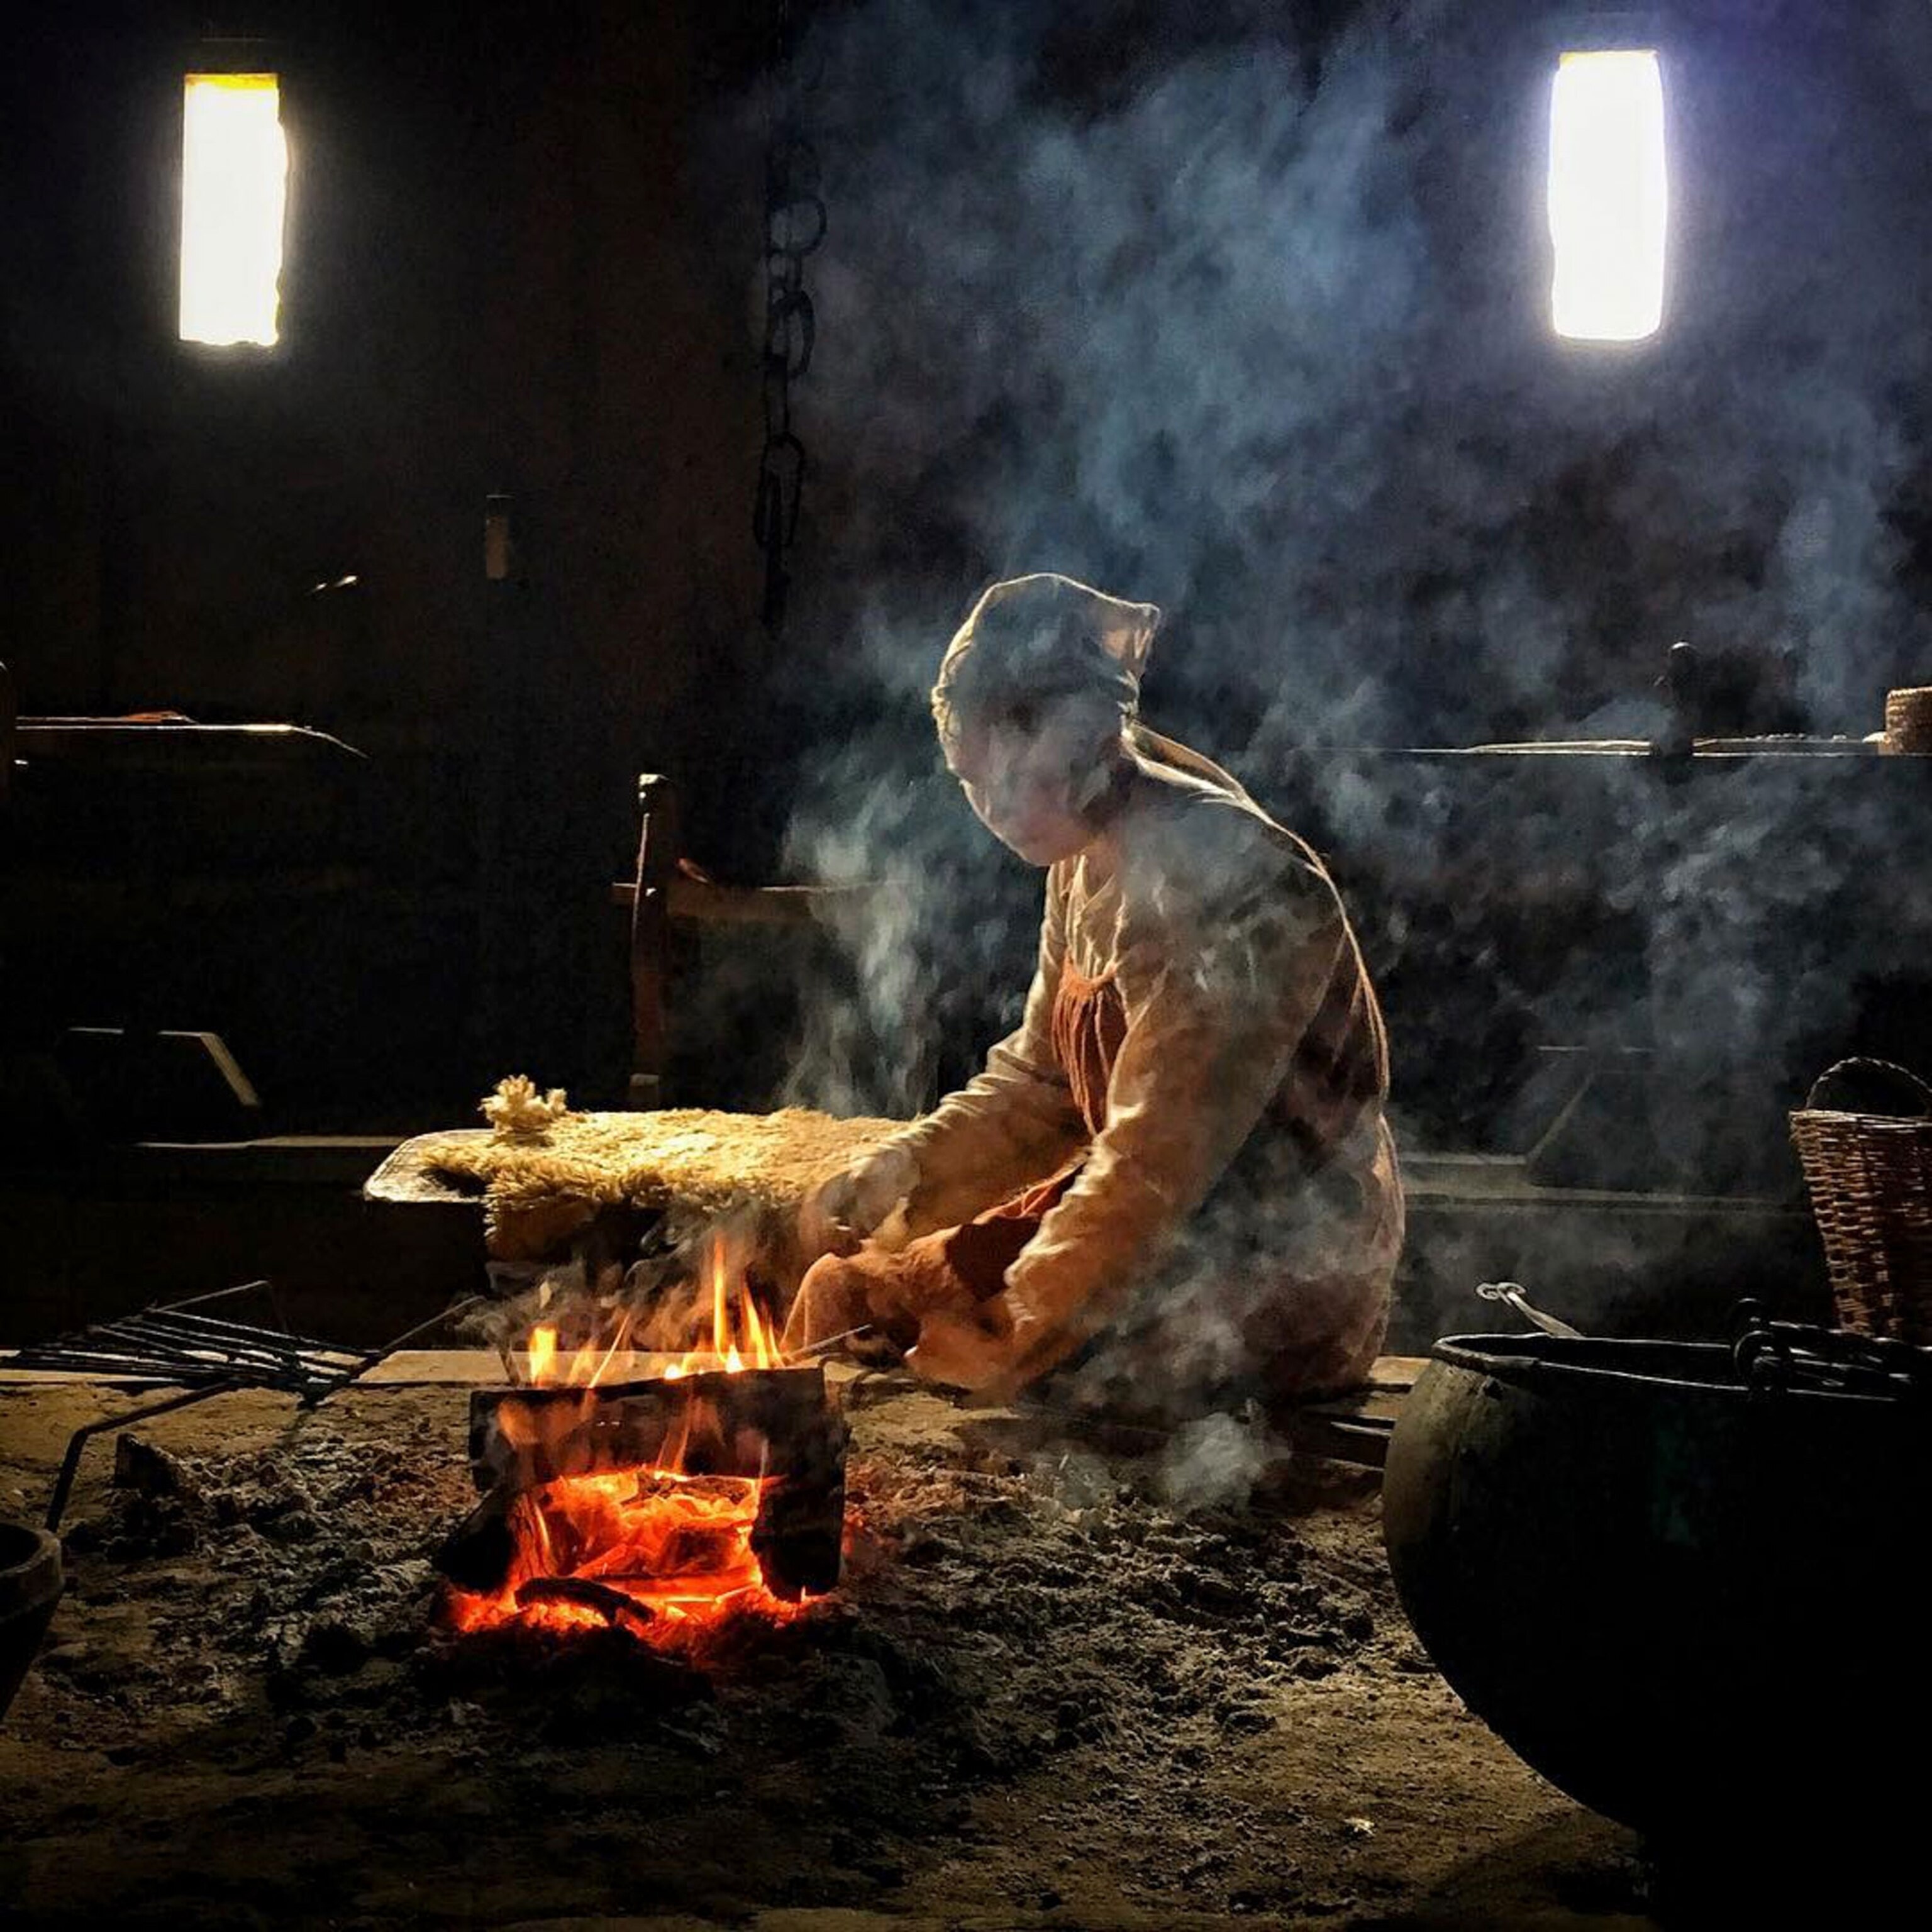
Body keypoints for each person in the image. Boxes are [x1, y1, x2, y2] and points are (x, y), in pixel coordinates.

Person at [780, 573, 1402, 1411]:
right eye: (969, 779)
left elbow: (1153, 1166)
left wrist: (1012, 1324)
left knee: (954, 1359)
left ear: (1093, 732)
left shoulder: (1222, 881)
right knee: (850, 1295)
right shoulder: (1081, 857)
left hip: (1266, 1261)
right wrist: (905, 1170)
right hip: (1147, 1225)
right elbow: (1040, 1086)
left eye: (1013, 771)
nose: (993, 808)